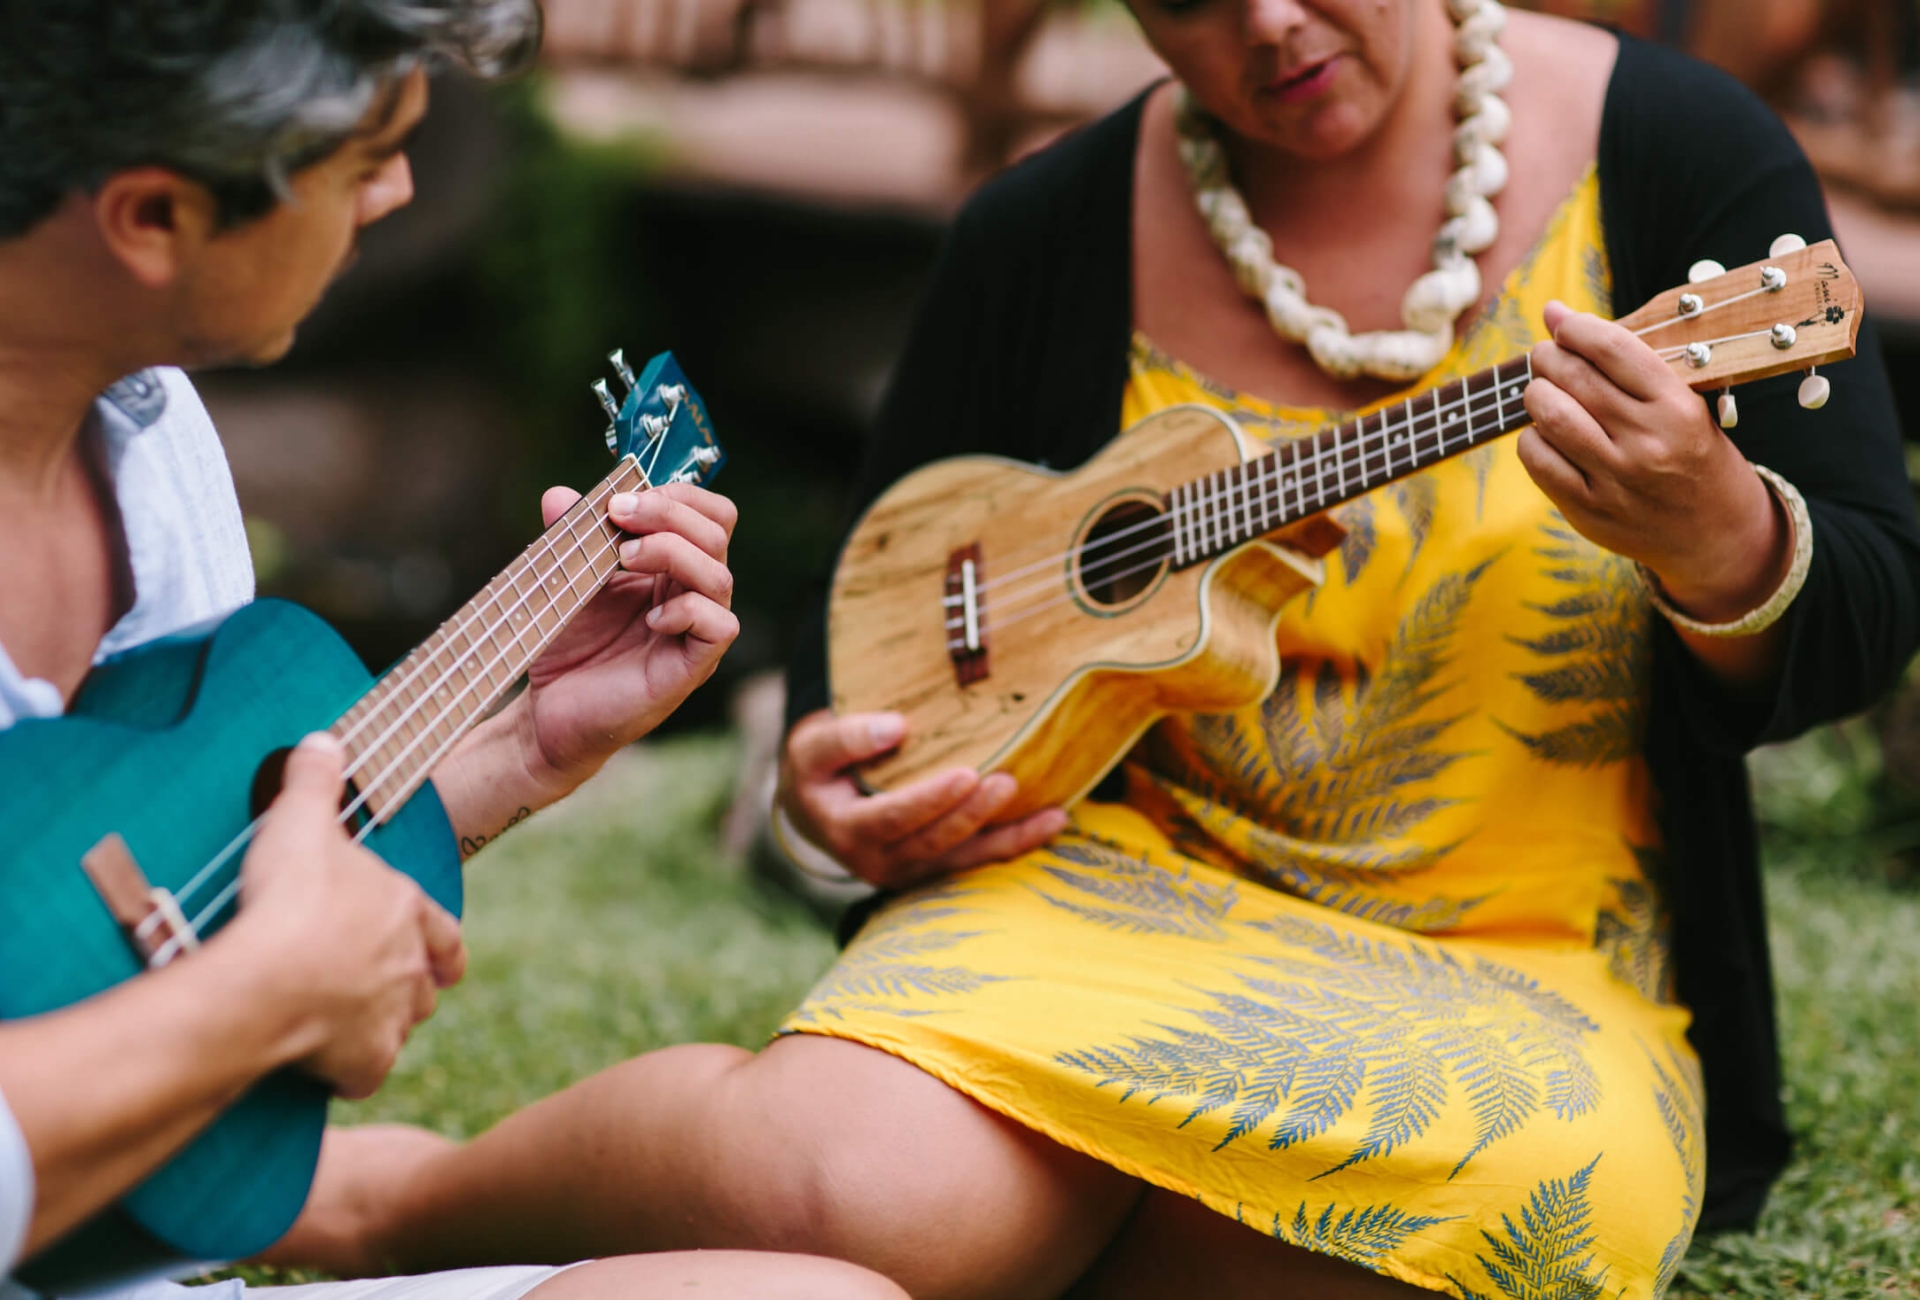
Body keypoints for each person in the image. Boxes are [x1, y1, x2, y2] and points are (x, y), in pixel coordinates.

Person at [270, 2, 1920, 1298]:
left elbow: (1862, 602)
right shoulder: (1044, 230)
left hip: (1525, 958)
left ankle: (1018, 1242)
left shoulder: (1682, 158)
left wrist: (1720, 532)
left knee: (1541, 1214)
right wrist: (835, 794)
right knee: (848, 1190)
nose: (1267, 25)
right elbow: (891, 600)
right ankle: (401, 1194)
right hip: (1105, 895)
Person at [0, 3, 909, 1299]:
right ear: (153, 218)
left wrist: (505, 757)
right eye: (365, 156)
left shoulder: (150, 439)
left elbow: (128, 901)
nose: (403, 191)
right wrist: (262, 1004)